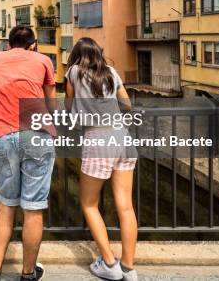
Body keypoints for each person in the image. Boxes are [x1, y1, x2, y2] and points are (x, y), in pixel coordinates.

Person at [0, 26, 56, 281]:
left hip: (4, 134)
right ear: (33, 45)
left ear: (8, 43)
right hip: (36, 132)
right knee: (33, 208)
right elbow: (51, 101)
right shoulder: (44, 61)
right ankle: (28, 273)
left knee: (7, 203)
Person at [65, 37, 138, 281]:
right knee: (126, 206)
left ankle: (109, 264)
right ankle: (128, 268)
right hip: (123, 138)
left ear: (77, 55)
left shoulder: (74, 72)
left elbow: (68, 107)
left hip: (98, 139)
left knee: (88, 204)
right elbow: (126, 104)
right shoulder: (111, 72)